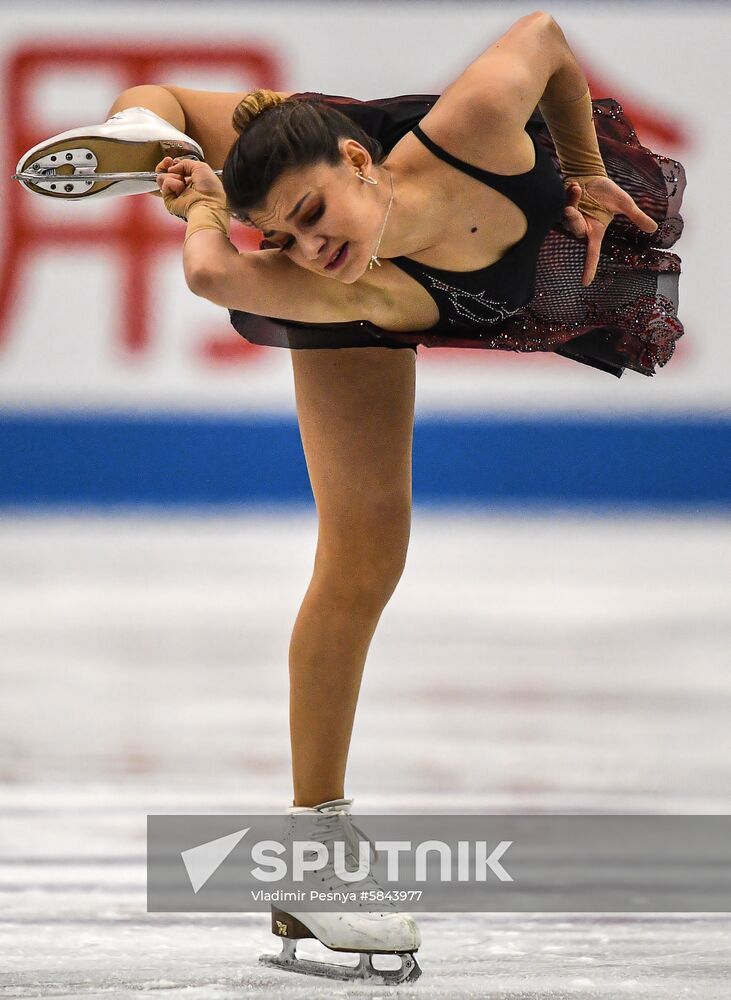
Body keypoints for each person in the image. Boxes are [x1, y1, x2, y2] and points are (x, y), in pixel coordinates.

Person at [15, 11, 685, 985]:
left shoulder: (476, 124)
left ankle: (169, 137)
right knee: (363, 556)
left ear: (356, 166)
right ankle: (316, 842)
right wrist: (208, 207)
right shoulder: (313, 277)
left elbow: (541, 36)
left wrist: (583, 169)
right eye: (281, 233)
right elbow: (212, 270)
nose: (303, 243)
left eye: (312, 216)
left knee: (255, 130)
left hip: (347, 158)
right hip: (364, 311)